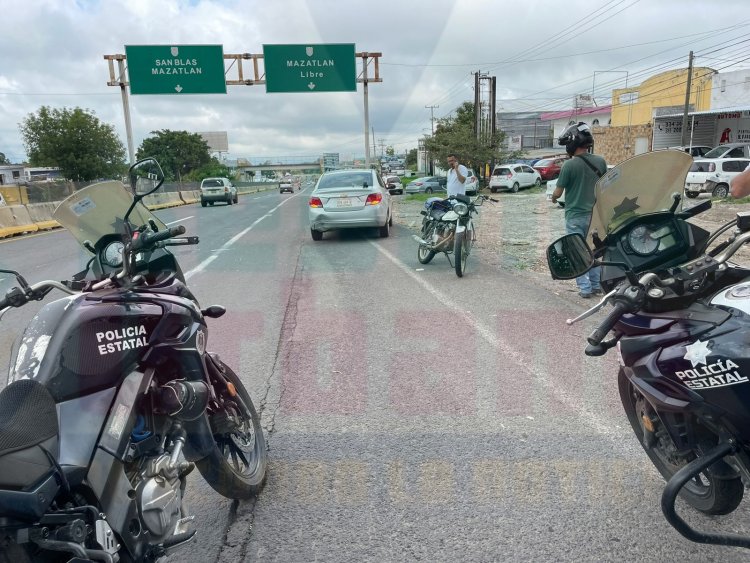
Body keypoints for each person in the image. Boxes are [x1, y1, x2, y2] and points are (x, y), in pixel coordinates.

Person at [550, 122, 607, 299]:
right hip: (596, 216)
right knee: (594, 250)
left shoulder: (569, 165)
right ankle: (597, 285)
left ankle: (585, 288)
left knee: (578, 252)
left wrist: (553, 197)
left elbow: (558, 192)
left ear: (572, 144)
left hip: (575, 216)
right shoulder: (601, 161)